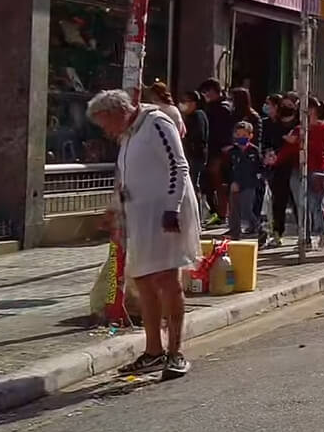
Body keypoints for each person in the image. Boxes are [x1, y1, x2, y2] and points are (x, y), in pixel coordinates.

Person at [88, 89, 201, 379]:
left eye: (105, 123)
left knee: (166, 279)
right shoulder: (128, 136)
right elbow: (126, 177)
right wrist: (115, 210)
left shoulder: (157, 123)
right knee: (142, 279)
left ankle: (175, 352)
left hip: (165, 215)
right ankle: (153, 350)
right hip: (139, 218)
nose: (106, 131)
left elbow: (179, 165)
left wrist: (172, 208)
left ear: (118, 113)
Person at [264, 97, 302, 248]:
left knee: (299, 203)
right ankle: (277, 233)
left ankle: (304, 234)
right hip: (278, 168)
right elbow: (267, 143)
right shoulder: (272, 124)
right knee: (278, 203)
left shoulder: (300, 124)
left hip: (297, 167)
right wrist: (268, 154)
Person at [196, 80, 235, 219]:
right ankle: (218, 213)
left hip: (218, 151)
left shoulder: (222, 108)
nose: (205, 95)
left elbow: (221, 131)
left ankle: (222, 213)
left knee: (219, 184)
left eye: (207, 92)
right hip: (212, 150)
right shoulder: (211, 107)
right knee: (211, 184)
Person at [301, 97, 324, 251]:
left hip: (318, 170)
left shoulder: (323, 128)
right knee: (303, 205)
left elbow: (320, 147)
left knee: (315, 205)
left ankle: (323, 231)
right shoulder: (301, 126)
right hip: (301, 168)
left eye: (309, 108)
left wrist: (303, 140)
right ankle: (305, 238)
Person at [226, 119, 266, 240]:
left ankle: (259, 228)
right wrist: (231, 182)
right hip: (235, 185)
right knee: (234, 210)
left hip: (249, 184)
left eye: (244, 135)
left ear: (250, 136)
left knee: (246, 209)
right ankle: (234, 233)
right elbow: (227, 169)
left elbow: (259, 167)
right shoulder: (232, 152)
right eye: (238, 135)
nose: (241, 138)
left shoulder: (254, 151)